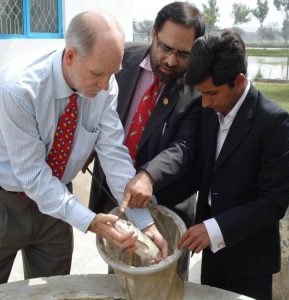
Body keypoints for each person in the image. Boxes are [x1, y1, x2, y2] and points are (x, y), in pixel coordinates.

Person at [0, 11, 167, 284]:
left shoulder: (104, 84)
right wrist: (89, 220)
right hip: (6, 204)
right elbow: (33, 177)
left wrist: (144, 222)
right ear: (70, 56)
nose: (104, 86)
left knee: (54, 288)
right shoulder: (19, 89)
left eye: (112, 74)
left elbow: (113, 154)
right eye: (98, 74)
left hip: (56, 211)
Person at [87, 2, 205, 278]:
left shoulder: (198, 87)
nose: (171, 61)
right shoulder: (120, 59)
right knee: (120, 281)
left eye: (183, 54)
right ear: (153, 33)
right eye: (165, 48)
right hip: (115, 197)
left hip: (166, 205)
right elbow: (92, 100)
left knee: (164, 286)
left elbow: (184, 147)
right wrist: (87, 141)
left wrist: (148, 176)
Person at [177, 30, 289, 300]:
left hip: (250, 262)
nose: (205, 103)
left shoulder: (275, 123)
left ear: (239, 81)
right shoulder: (209, 110)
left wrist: (214, 229)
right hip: (212, 256)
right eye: (201, 94)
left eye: (211, 94)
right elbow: (199, 173)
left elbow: (274, 202)